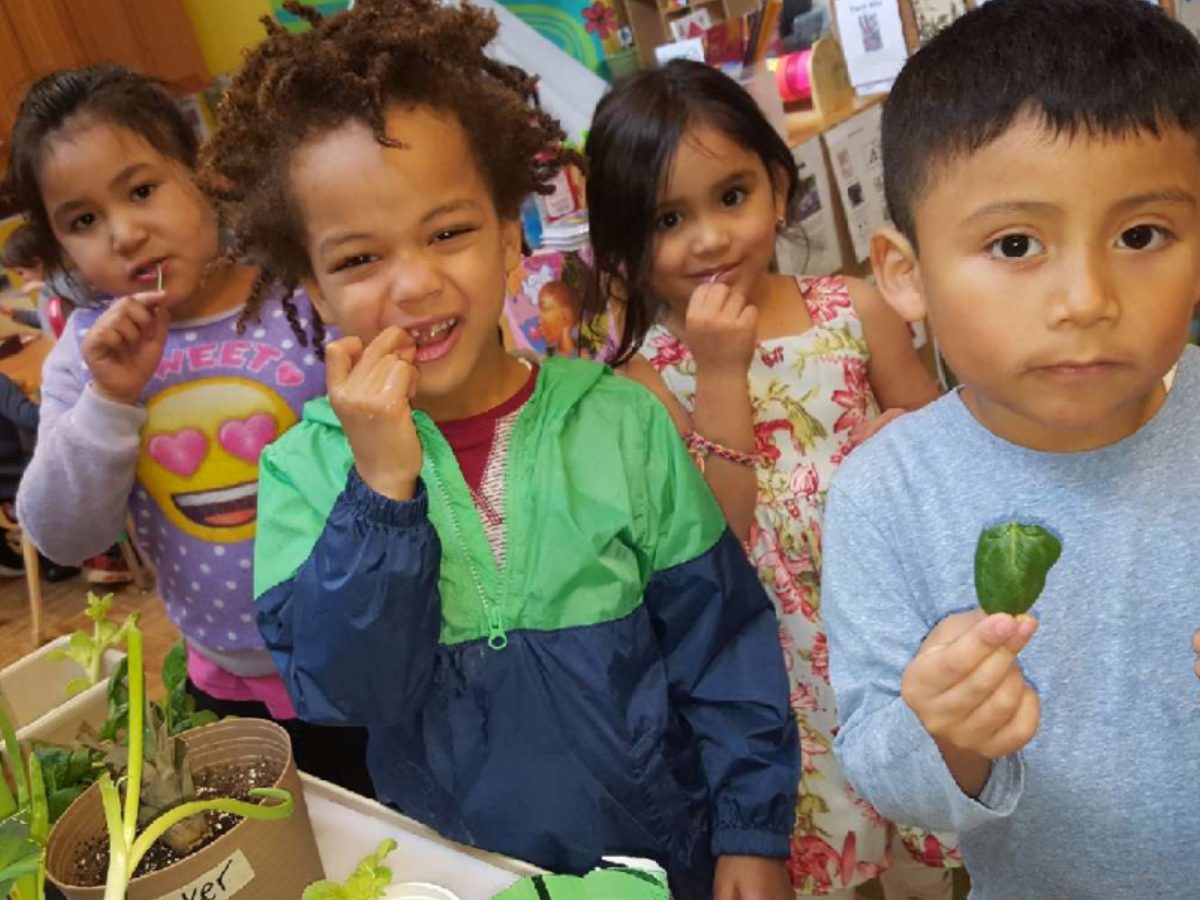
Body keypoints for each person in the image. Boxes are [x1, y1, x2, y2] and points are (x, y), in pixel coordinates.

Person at [199, 2, 800, 897]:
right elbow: (345, 695)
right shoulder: (303, 472)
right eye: (360, 259)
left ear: (511, 231)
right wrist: (379, 489)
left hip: (660, 862)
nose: (414, 283)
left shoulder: (620, 424)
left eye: (448, 232)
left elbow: (721, 643)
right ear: (311, 287)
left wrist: (752, 830)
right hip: (464, 875)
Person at [820, 1, 1200, 898]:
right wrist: (948, 730)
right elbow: (882, 764)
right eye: (1016, 243)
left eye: (1141, 235)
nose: (1085, 297)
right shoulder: (886, 493)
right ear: (905, 274)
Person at [585, 60, 953, 898]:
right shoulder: (647, 384)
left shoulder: (853, 309)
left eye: (732, 195)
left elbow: (938, 436)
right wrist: (720, 371)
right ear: (625, 251)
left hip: (894, 619)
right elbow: (722, 535)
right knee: (843, 851)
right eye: (668, 218)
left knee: (940, 814)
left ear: (779, 190)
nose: (711, 237)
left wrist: (907, 435)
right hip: (780, 664)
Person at [6, 64, 372, 794]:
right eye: (83, 221)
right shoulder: (88, 353)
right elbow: (62, 536)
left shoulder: (302, 292)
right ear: (60, 250)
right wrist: (111, 400)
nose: (125, 232)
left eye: (142, 189)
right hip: (231, 687)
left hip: (374, 653)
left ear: (202, 172)